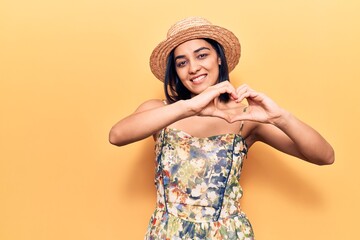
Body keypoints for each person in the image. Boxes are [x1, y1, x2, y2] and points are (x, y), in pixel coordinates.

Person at [109, 16, 334, 240]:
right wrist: (188, 107)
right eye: (182, 62)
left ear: (219, 58)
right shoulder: (160, 111)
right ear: (175, 71)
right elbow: (117, 135)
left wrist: (281, 117)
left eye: (202, 55)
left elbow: (325, 156)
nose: (193, 67)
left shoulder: (245, 118)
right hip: (167, 234)